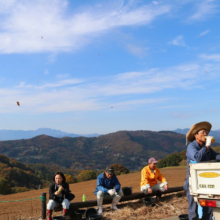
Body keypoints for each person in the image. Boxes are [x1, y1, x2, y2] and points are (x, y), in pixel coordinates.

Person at [184, 121, 220, 220]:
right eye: (203, 132)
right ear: (196, 135)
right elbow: (197, 158)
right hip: (193, 183)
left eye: (206, 132)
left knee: (208, 209)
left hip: (205, 182)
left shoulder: (206, 147)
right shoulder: (192, 146)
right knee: (193, 209)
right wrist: (207, 146)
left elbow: (216, 156)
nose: (206, 134)